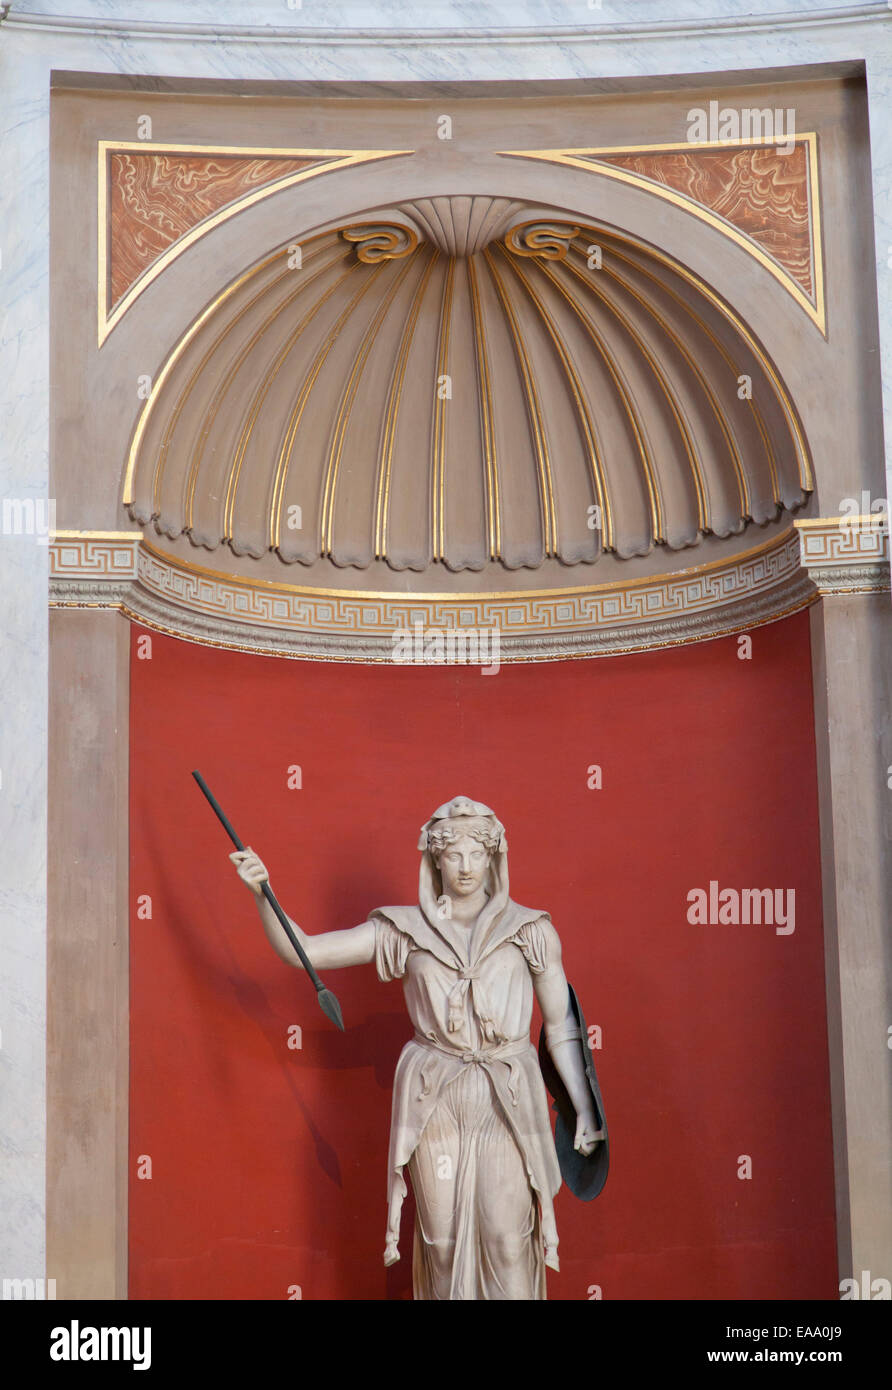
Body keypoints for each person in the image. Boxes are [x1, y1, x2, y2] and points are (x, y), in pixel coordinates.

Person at [231, 794, 604, 1300]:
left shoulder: (532, 932)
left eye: (478, 853)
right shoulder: (404, 930)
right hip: (436, 1098)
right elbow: (307, 952)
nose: (467, 867)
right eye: (454, 854)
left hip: (508, 1099)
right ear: (435, 859)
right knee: (442, 1239)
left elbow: (560, 1026)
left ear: (495, 857)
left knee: (508, 1237)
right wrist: (262, 893)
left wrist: (583, 1107)